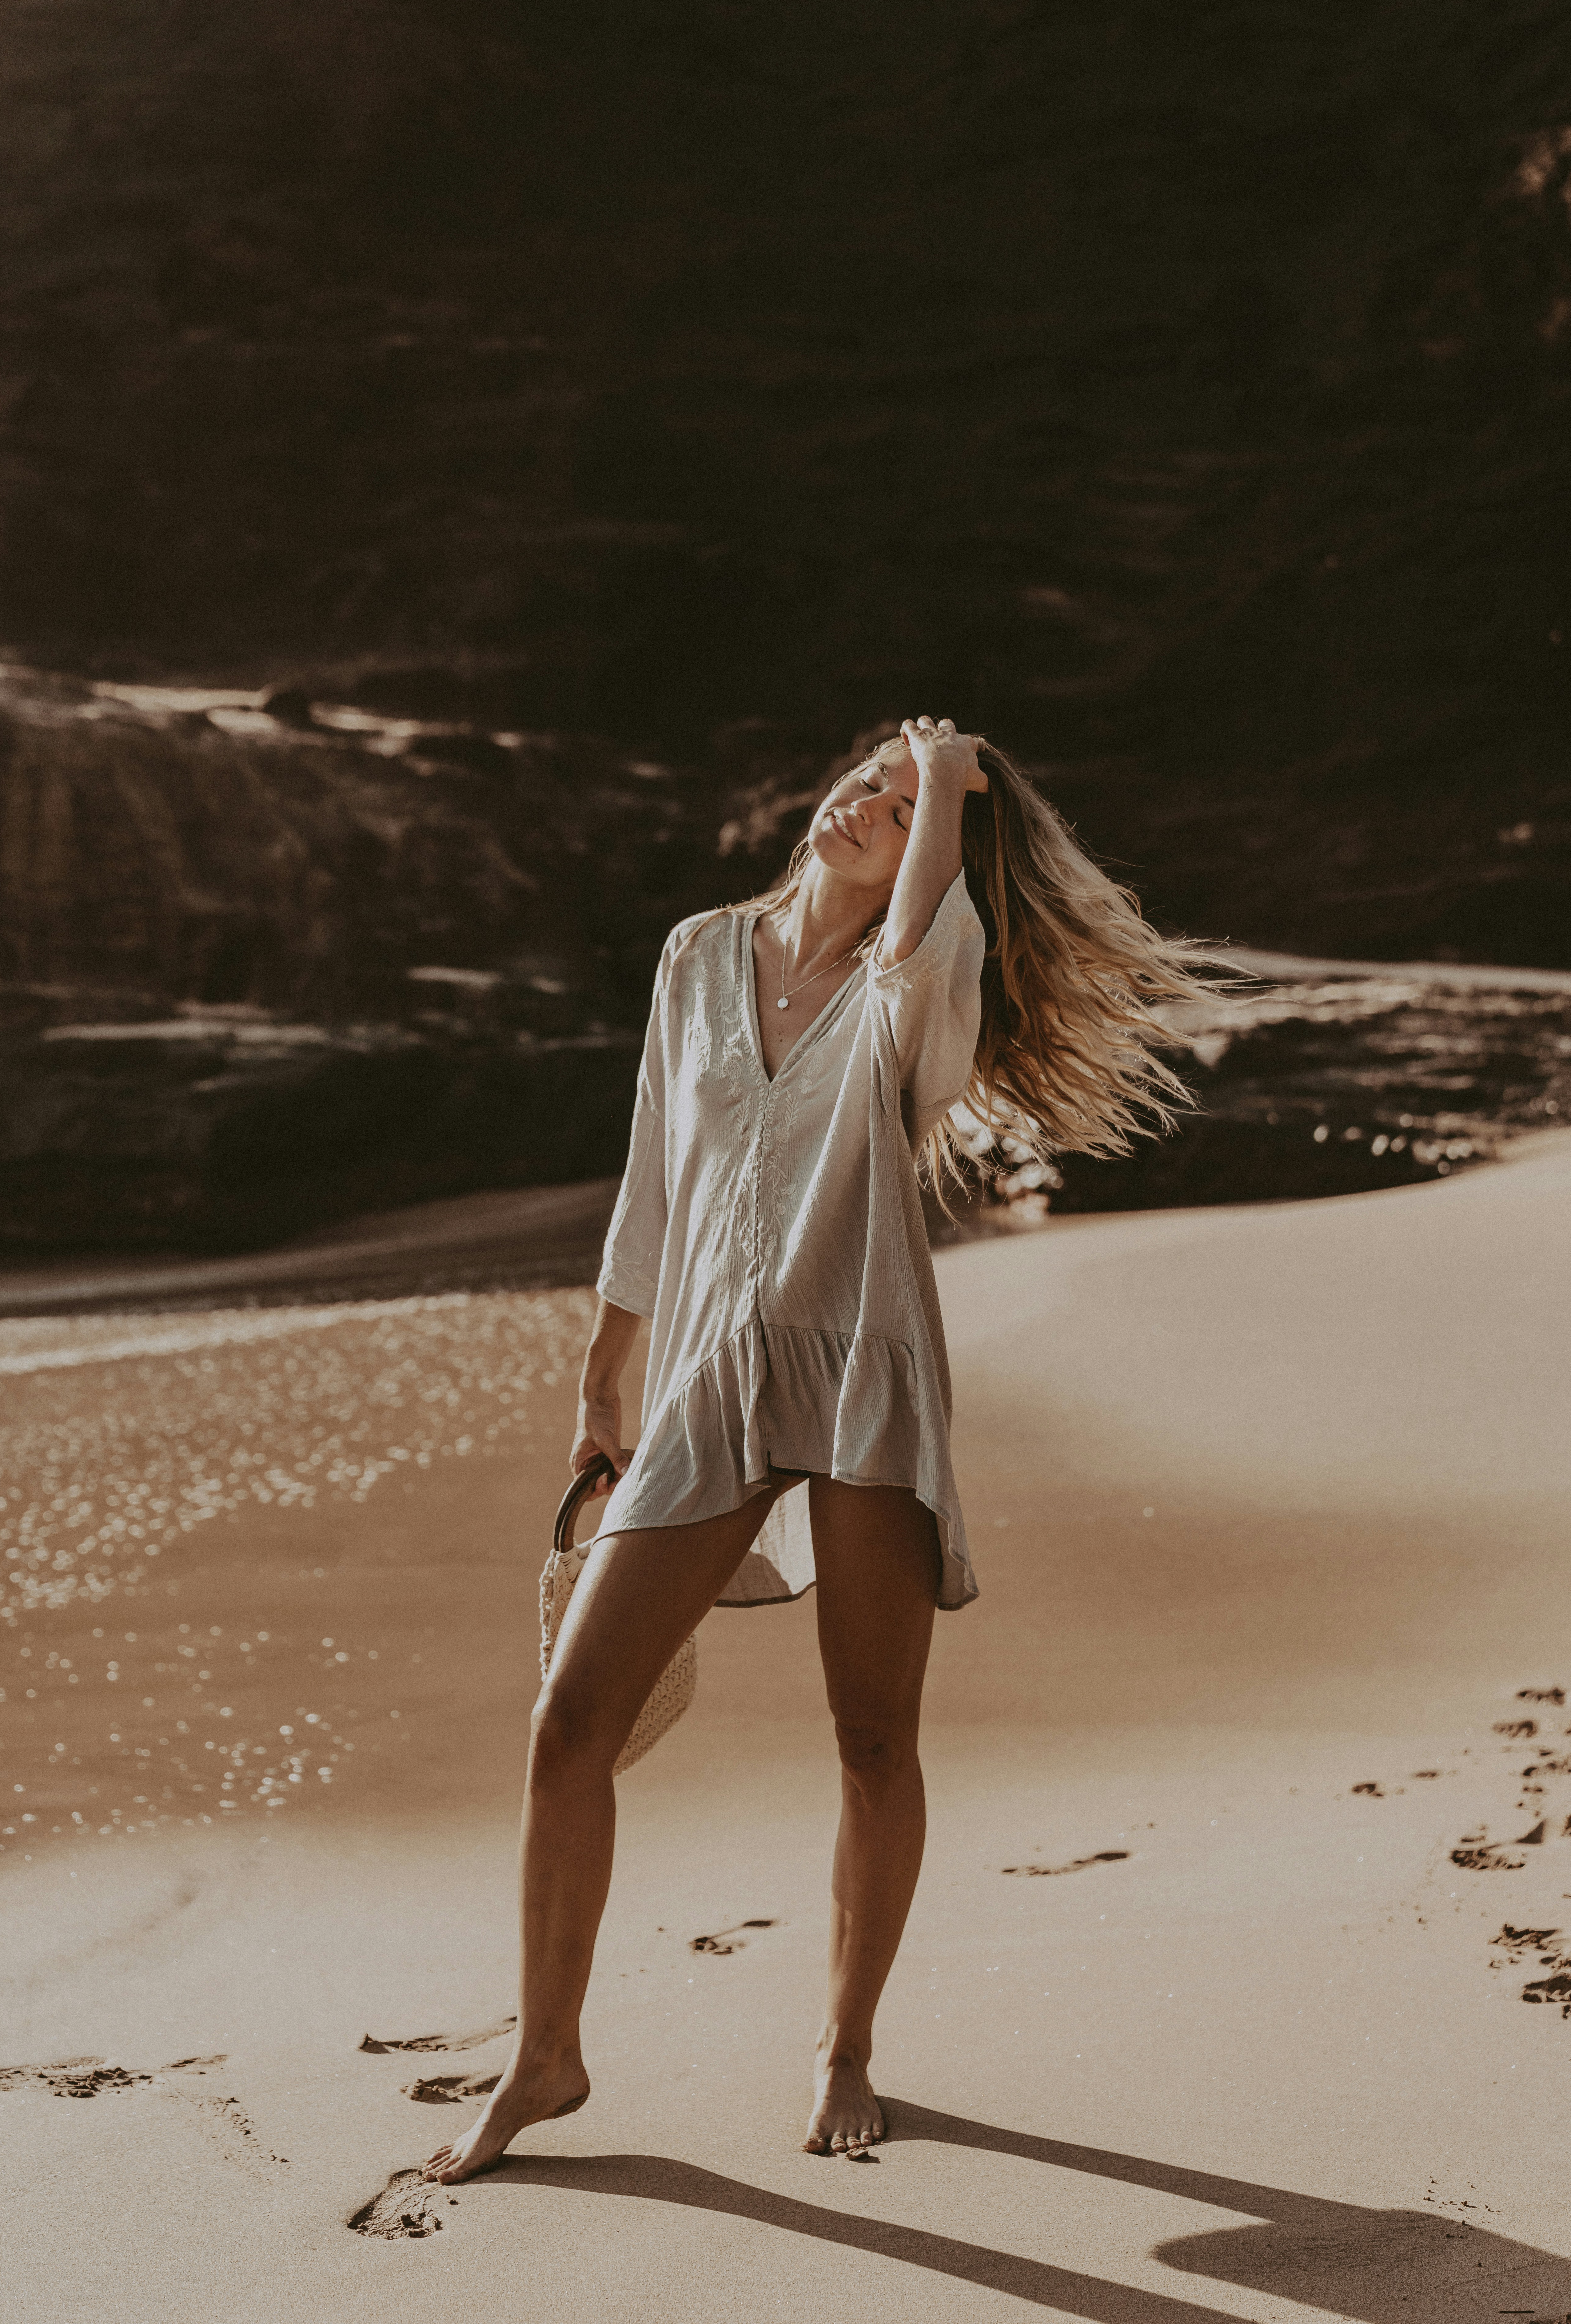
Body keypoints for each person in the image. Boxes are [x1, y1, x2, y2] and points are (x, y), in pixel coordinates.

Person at [424, 713, 1205, 2183]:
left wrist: (955, 789)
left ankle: (848, 2047)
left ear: (944, 842)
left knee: (870, 1733)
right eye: (867, 774)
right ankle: (548, 2051)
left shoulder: (923, 974)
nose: (867, 797)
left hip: (866, 1366)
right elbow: (657, 1168)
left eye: (903, 800)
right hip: (710, 1373)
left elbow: (913, 949)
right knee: (570, 1716)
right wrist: (608, 1368)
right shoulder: (701, 952)